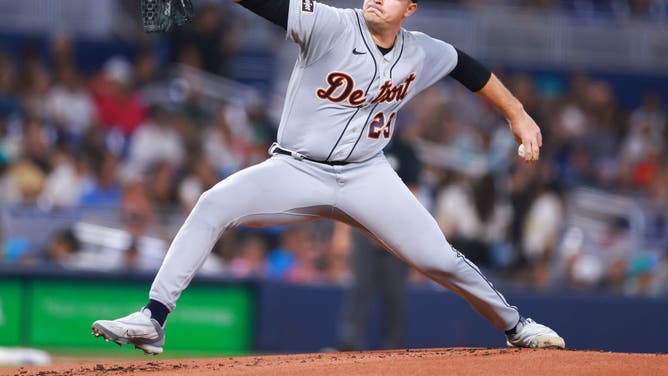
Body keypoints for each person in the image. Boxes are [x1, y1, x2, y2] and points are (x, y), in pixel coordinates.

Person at [92, 0, 565, 354]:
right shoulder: (331, 23)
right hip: (296, 168)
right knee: (214, 203)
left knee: (438, 258)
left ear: (410, 9)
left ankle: (515, 326)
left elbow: (469, 68)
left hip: (367, 176)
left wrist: (517, 114)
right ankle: (154, 318)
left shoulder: (422, 52)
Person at [335, 134, 420, 351]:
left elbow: (413, 191)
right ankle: (349, 341)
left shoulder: (404, 149)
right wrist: (342, 233)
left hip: (395, 231)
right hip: (363, 227)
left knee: (394, 292)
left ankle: (394, 344)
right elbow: (345, 191)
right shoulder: (360, 147)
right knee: (359, 287)